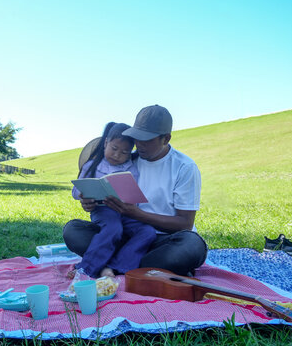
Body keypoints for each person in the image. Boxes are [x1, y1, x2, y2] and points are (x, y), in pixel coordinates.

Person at [63, 105, 208, 277]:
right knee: (73, 230)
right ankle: (134, 265)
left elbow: (185, 224)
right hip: (124, 235)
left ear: (166, 139)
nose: (138, 145)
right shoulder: (127, 161)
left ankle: (110, 263)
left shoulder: (184, 167)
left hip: (163, 240)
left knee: (192, 246)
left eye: (146, 140)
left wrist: (137, 214)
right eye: (136, 138)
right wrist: (88, 202)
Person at [70, 122, 157, 279]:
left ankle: (115, 267)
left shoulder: (131, 168)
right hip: (103, 210)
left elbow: (133, 196)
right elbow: (76, 190)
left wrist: (129, 203)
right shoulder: (91, 165)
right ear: (105, 143)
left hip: (125, 212)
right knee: (113, 228)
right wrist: (83, 195)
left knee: (148, 232)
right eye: (114, 149)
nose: (117, 155)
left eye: (124, 152)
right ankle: (86, 268)